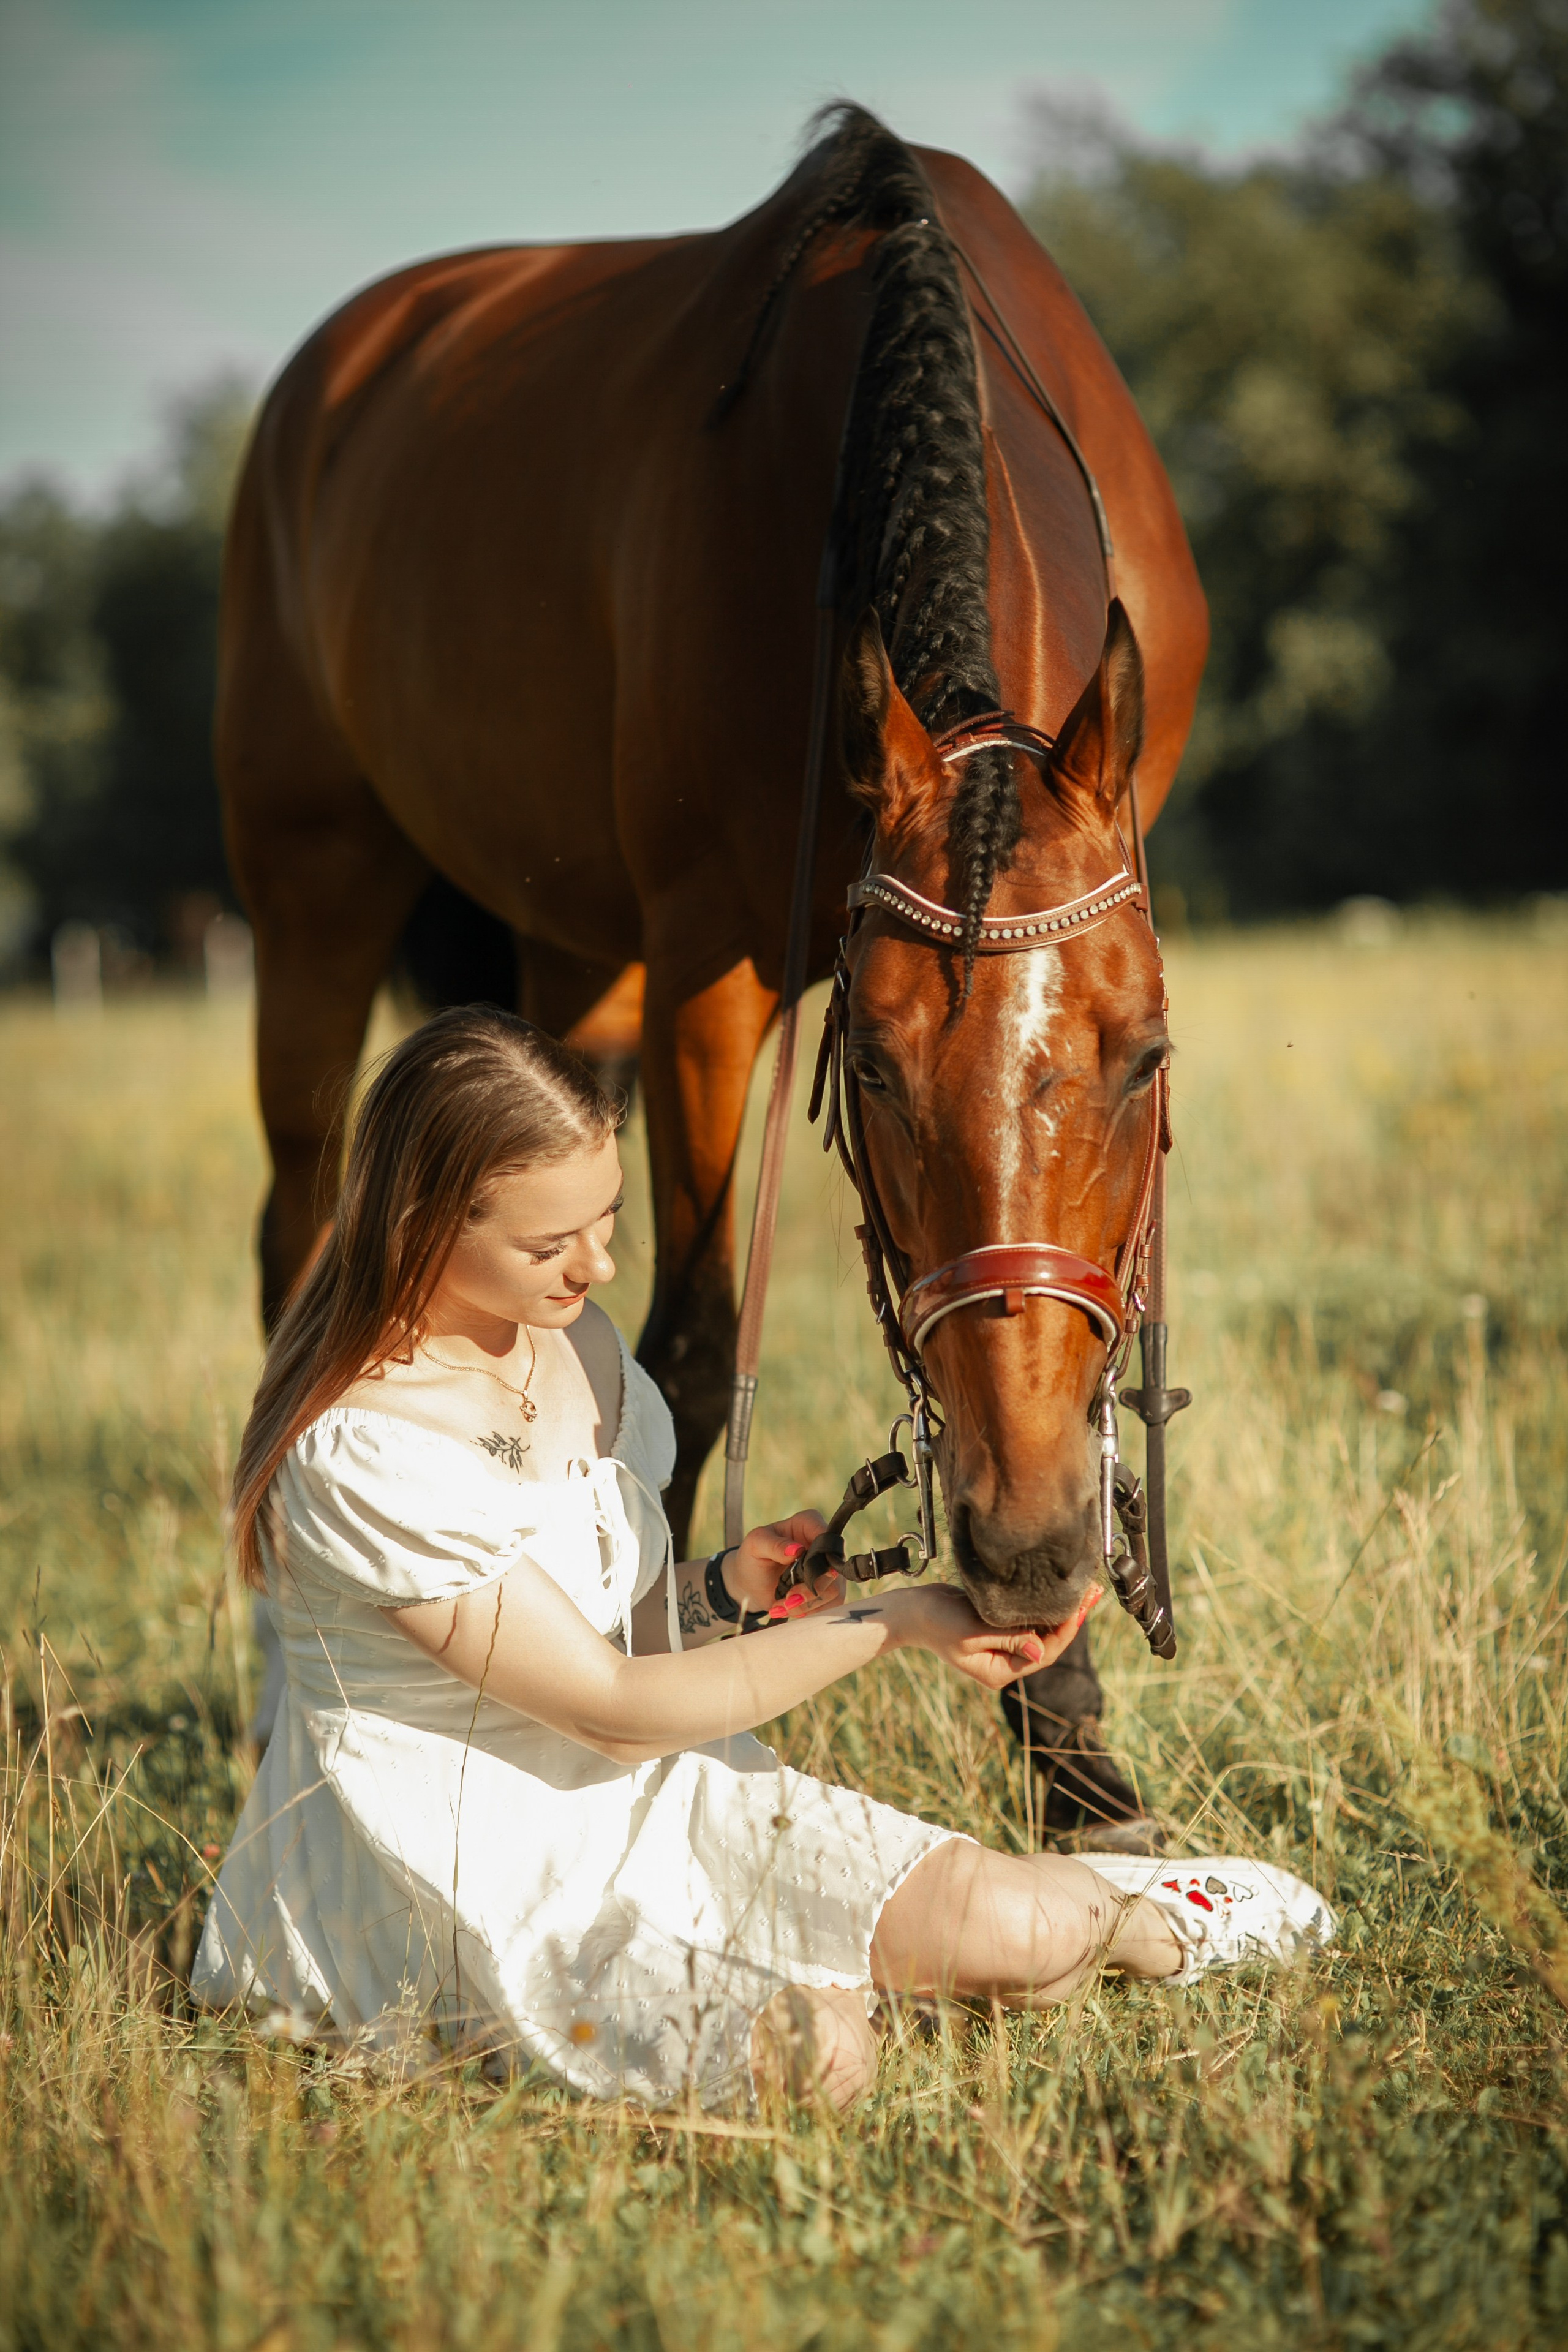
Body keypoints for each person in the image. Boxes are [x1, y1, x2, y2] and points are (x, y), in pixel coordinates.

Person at [194, 1009, 1335, 2109]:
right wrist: (893, 1622)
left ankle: (1121, 1918)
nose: (596, 1265)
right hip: (472, 1884)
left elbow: (630, 1641)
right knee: (816, 2059)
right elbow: (607, 1705)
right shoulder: (368, 1447)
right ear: (423, 1226)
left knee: (1025, 1932)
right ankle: (882, 1982)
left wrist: (731, 1589)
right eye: (549, 1243)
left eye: (608, 1217)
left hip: (649, 1800)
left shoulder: (573, 1342)